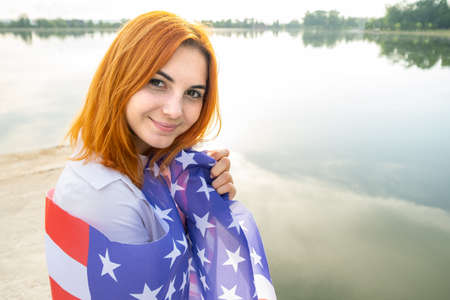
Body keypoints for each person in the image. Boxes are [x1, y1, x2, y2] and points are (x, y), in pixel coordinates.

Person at [45, 11, 276, 300]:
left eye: (193, 93)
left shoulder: (147, 160)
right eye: (157, 82)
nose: (175, 110)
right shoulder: (105, 196)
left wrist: (200, 198)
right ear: (120, 79)